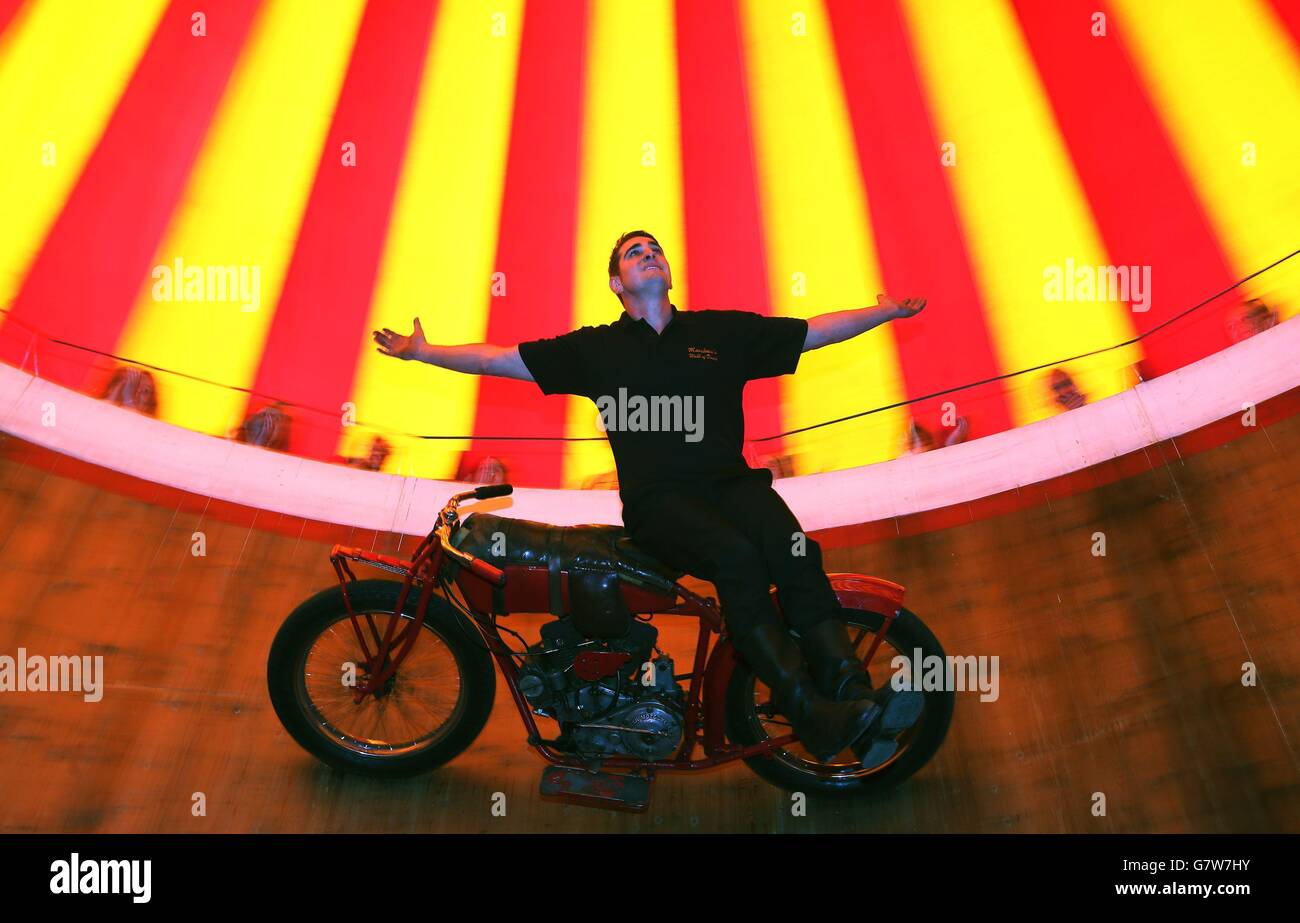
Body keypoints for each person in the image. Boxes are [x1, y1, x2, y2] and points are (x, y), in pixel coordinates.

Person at [372, 230, 928, 768]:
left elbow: (808, 332)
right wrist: (424, 353)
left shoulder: (717, 333)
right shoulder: (596, 349)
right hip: (658, 503)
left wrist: (881, 313)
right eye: (635, 253)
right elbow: (499, 360)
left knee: (795, 549)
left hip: (732, 486)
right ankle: (813, 715)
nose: (649, 254)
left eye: (655, 249)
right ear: (617, 283)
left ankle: (854, 698)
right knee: (736, 558)